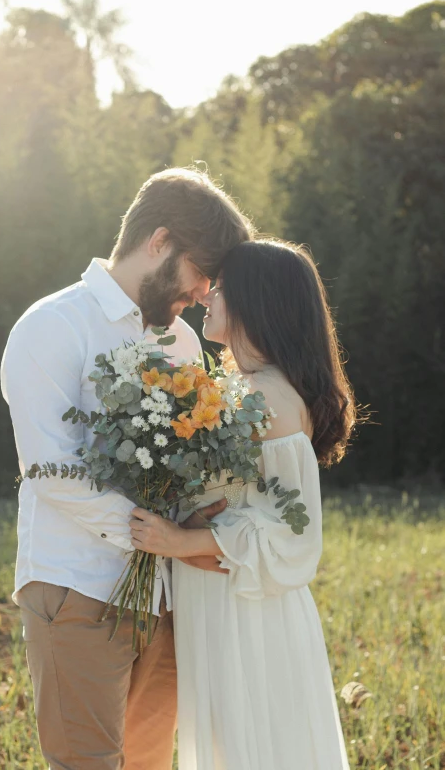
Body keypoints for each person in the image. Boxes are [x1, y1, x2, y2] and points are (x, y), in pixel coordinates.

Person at [0, 167, 251, 770]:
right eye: (200, 276)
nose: (200, 296)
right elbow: (51, 470)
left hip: (165, 599)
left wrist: (195, 523)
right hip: (77, 587)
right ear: (159, 241)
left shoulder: (184, 344)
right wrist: (150, 533)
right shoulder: (50, 326)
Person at [129, 239, 355, 770]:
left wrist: (180, 541)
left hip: (250, 617)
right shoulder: (239, 387)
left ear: (257, 300)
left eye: (222, 287)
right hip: (219, 606)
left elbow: (291, 538)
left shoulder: (269, 398)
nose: (206, 295)